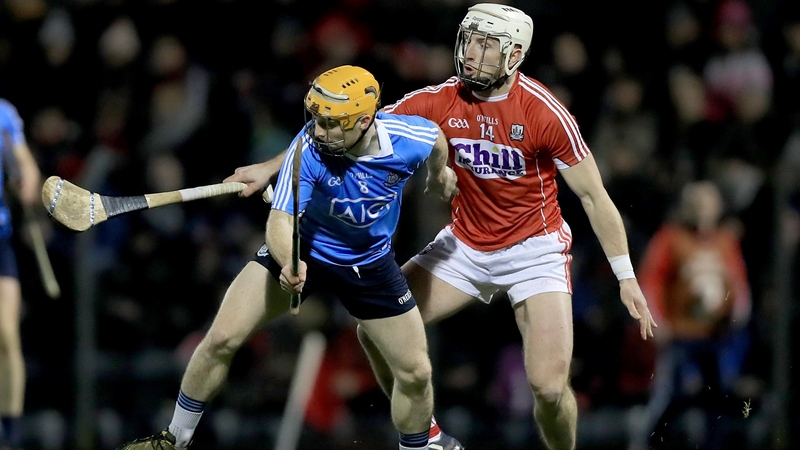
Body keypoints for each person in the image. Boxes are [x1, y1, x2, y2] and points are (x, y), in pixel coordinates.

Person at [226, 4, 656, 450]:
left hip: (535, 250)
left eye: (486, 44)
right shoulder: (433, 101)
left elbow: (594, 197)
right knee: (372, 330)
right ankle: (424, 437)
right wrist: (269, 168)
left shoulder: (544, 112)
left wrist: (626, 277)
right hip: (464, 247)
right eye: (469, 39)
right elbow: (348, 132)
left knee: (548, 388)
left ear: (514, 55)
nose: (471, 52)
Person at [114, 65, 459, 450]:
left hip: (370, 264)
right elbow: (280, 222)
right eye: (316, 119)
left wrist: (439, 175)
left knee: (415, 371)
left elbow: (437, 139)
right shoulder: (308, 148)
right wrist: (291, 263)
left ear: (365, 120)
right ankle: (173, 440)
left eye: (332, 123)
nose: (319, 130)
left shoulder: (409, 136)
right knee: (221, 338)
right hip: (305, 249)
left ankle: (419, 446)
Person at [628, 180, 751, 450]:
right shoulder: (670, 239)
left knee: (717, 398)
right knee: (670, 395)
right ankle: (646, 443)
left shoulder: (724, 241)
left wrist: (738, 312)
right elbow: (651, 281)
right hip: (679, 335)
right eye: (698, 204)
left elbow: (738, 282)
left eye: (709, 203)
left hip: (715, 335)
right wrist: (656, 320)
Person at [0, 99, 42, 450]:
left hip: (0, 239)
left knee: (5, 334)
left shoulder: (4, 113)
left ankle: (9, 436)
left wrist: (26, 181)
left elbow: (26, 166)